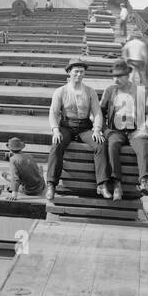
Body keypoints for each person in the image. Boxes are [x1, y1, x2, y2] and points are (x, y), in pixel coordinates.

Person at [45, 59, 104, 201]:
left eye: (82, 71)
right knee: (56, 145)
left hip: (85, 127)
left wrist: (96, 130)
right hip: (67, 126)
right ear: (69, 72)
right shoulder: (61, 91)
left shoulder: (90, 91)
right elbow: (53, 113)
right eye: (76, 71)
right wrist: (55, 130)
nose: (79, 74)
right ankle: (51, 184)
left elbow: (97, 113)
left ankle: (102, 183)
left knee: (100, 144)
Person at [99, 59, 148, 200]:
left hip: (135, 130)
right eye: (114, 76)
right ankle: (117, 184)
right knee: (112, 145)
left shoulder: (140, 91)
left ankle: (143, 182)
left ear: (127, 75)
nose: (116, 79)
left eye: (119, 76)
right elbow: (99, 111)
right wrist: (104, 129)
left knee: (143, 145)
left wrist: (145, 127)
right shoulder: (110, 91)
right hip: (116, 131)